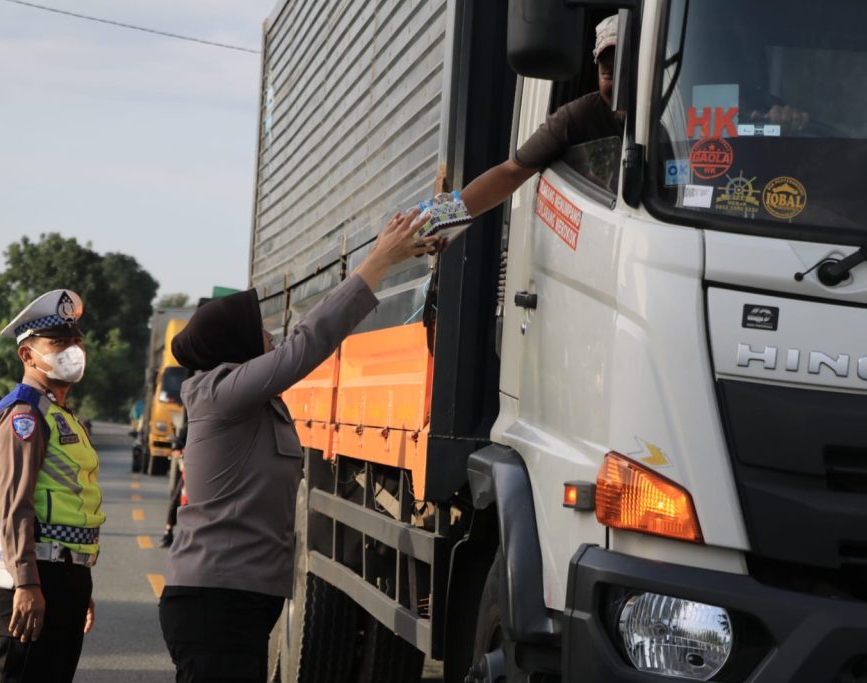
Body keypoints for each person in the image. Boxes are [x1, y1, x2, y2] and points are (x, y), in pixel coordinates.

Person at [158, 209, 438, 681]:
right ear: (234, 344)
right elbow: (306, 344)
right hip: (215, 604)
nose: (271, 335)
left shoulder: (252, 404)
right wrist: (379, 260)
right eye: (259, 330)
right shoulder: (218, 394)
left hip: (239, 604)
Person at [0, 289, 103, 683]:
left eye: (76, 341)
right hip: (35, 576)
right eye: (59, 343)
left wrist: (77, 579)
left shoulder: (59, 413)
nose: (73, 351)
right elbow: (15, 505)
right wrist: (28, 583)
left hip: (59, 575)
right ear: (27, 355)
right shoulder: (25, 414)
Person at [459, 14, 625, 218]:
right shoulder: (580, 117)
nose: (622, 86)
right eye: (609, 74)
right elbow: (510, 173)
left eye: (632, 72)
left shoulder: (664, 122)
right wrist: (439, 218)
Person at [159, 406, 188, 548]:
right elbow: (176, 448)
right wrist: (179, 452)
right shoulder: (189, 427)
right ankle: (168, 532)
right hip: (190, 471)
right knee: (176, 499)